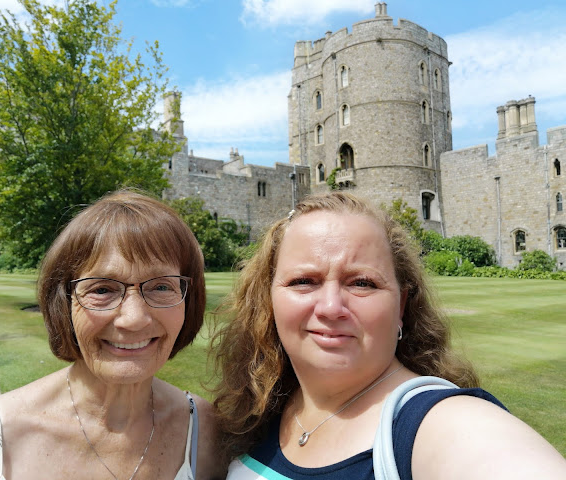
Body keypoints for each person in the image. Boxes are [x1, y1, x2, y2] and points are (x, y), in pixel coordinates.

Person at [212, 191, 566, 479]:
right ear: (269, 300)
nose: (331, 307)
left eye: (362, 283)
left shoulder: (439, 424)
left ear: (401, 306)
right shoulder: (258, 412)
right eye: (303, 281)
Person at [0, 190, 226, 479]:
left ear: (189, 301)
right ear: (63, 302)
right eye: (102, 289)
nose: (133, 319)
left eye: (161, 286)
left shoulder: (208, 433)